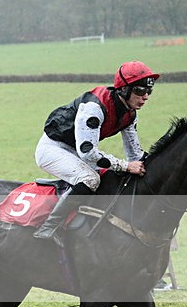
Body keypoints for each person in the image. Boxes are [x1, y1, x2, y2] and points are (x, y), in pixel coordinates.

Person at [33, 61, 159, 246]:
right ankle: (48, 228)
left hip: (75, 150)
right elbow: (88, 153)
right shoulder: (94, 107)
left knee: (112, 177)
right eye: (140, 91)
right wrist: (125, 166)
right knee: (90, 179)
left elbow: (135, 156)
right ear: (124, 90)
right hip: (53, 149)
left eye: (149, 91)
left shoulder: (130, 114)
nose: (145, 96)